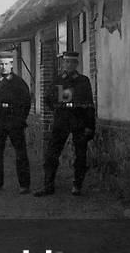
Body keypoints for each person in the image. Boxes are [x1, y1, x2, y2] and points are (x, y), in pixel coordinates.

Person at [37, 51, 95, 197]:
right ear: (63, 64)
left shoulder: (83, 81)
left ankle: (77, 185)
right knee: (51, 154)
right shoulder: (59, 80)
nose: (69, 65)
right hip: (62, 121)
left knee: (80, 155)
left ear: (76, 64)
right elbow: (48, 98)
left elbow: (89, 105)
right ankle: (48, 185)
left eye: (72, 62)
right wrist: (57, 110)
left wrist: (90, 125)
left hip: (79, 120)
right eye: (66, 62)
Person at [0, 51, 33, 194]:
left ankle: (24, 184)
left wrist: (20, 120)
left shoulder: (18, 83)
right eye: (1, 64)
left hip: (14, 122)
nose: (4, 67)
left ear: (11, 65)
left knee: (20, 153)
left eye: (6, 64)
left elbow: (26, 102)